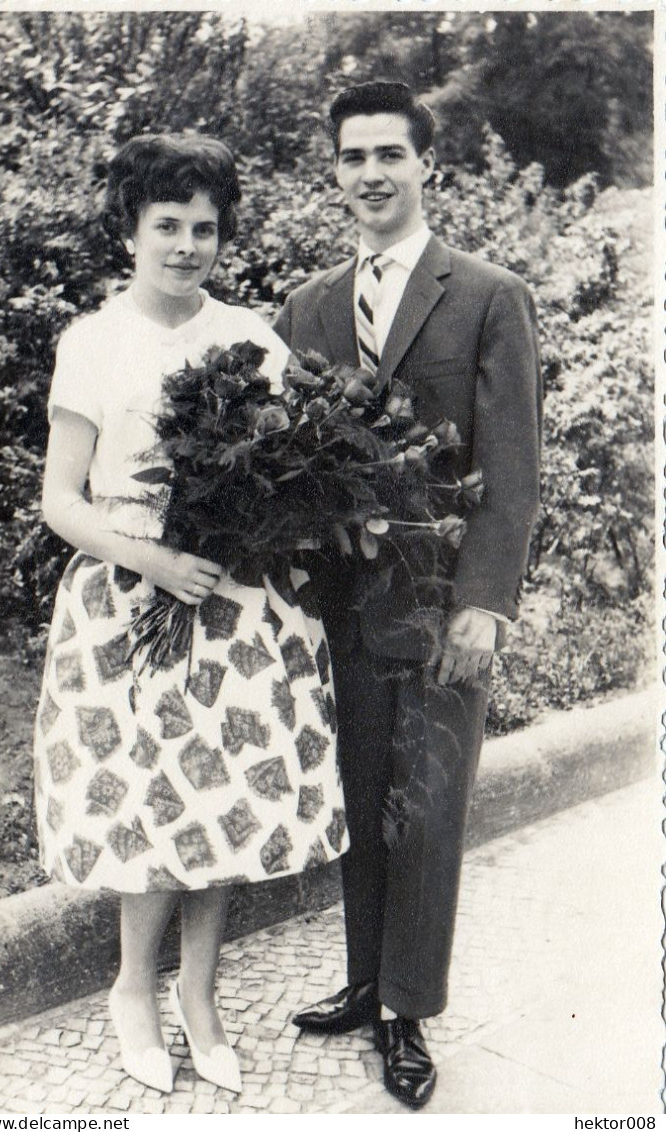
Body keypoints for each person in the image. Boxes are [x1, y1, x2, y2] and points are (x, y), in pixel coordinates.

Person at [33, 134, 347, 1097]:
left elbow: (292, 465)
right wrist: (156, 560)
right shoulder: (93, 341)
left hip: (234, 596)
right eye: (165, 224)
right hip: (131, 594)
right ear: (129, 229)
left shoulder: (251, 337)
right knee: (150, 800)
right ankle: (134, 988)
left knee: (222, 797)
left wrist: (259, 528)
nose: (186, 245)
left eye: (204, 228)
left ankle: (200, 994)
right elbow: (63, 500)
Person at [274, 81, 542, 1109]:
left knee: (425, 807)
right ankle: (361, 980)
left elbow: (512, 466)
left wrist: (486, 602)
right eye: (353, 156)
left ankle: (406, 1010)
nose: (371, 173)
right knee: (357, 791)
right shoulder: (305, 307)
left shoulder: (485, 293)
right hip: (343, 606)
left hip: (440, 603)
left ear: (427, 166)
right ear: (335, 171)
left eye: (390, 153)